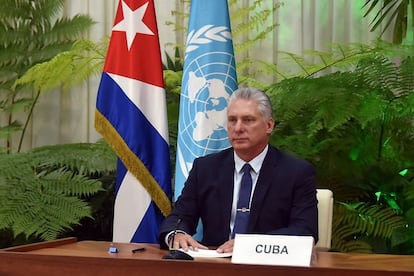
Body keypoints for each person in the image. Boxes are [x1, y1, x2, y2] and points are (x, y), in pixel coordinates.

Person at [158, 86, 318, 253]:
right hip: (214, 266)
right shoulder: (205, 168)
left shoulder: (296, 173)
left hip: (268, 266)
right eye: (232, 120)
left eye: (248, 120)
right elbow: (179, 217)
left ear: (269, 125)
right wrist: (176, 234)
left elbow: (304, 231)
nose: (238, 128)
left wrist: (250, 245)